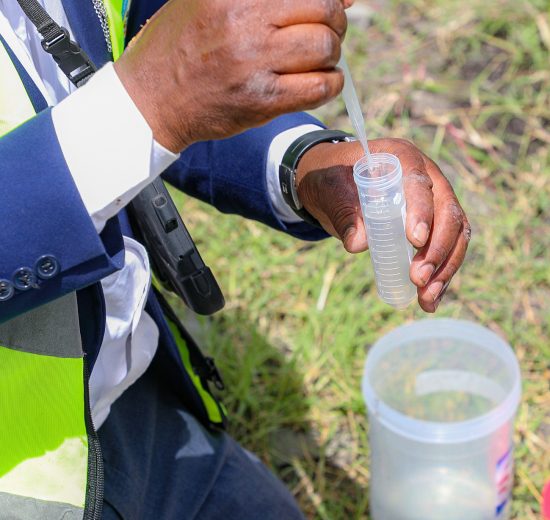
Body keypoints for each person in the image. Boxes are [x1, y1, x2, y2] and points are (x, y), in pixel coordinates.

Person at [0, 0, 470, 518]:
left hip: (137, 407)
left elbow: (142, 46)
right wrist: (150, 98)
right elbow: (151, 82)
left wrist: (302, 162)